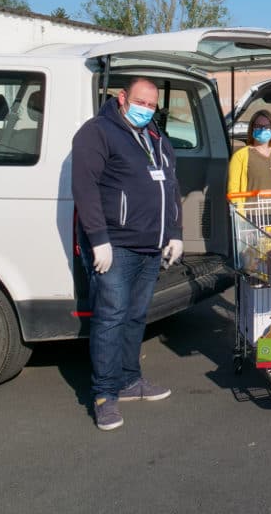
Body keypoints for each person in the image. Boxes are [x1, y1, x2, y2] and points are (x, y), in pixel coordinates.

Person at [72, 77, 184, 431]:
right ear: (122, 98)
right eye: (141, 102)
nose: (146, 110)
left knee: (136, 316)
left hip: (151, 246)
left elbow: (170, 185)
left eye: (152, 106)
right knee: (110, 318)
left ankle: (130, 380)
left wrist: (175, 234)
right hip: (115, 245)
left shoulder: (156, 137)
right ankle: (105, 395)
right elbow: (85, 187)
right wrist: (98, 238)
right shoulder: (98, 132)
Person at [227, 110, 271, 196]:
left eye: (267, 126)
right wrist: (239, 209)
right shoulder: (239, 156)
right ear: (252, 129)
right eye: (258, 126)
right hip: (250, 209)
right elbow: (233, 189)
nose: (263, 129)